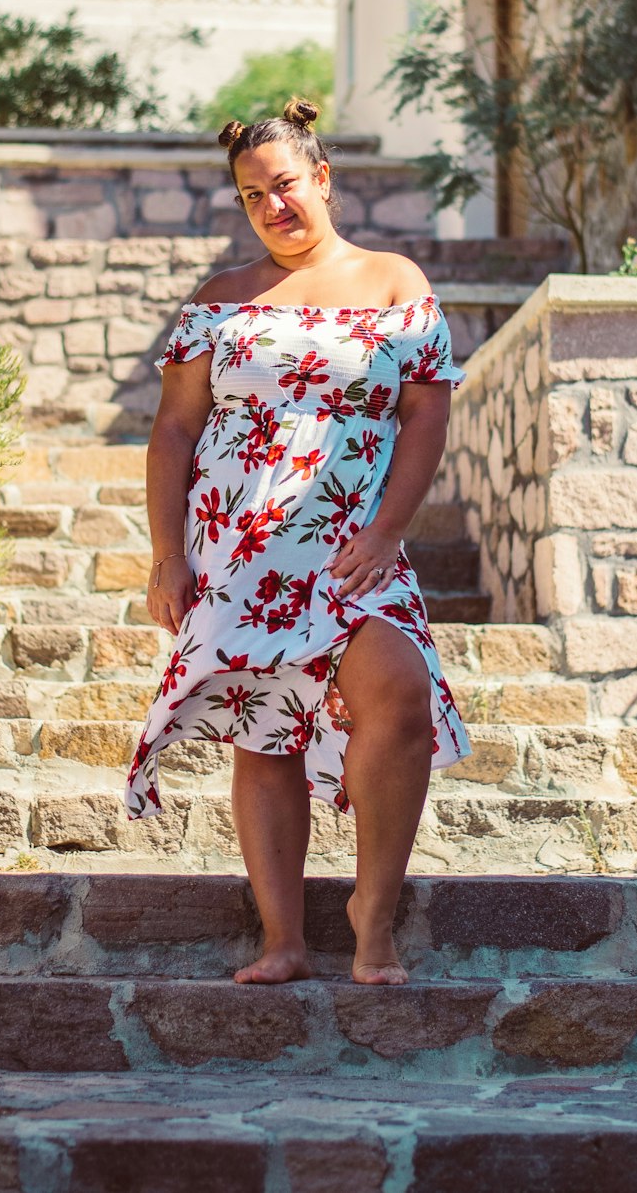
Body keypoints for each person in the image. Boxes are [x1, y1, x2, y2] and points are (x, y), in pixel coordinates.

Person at [125, 98, 471, 986]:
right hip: (240, 545)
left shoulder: (395, 282)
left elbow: (428, 413)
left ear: (322, 179)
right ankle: (282, 937)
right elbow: (172, 432)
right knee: (264, 731)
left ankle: (374, 912)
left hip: (355, 541)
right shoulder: (220, 300)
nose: (273, 206)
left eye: (285, 185)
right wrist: (168, 556)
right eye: (253, 196)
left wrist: (389, 531)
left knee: (397, 693)